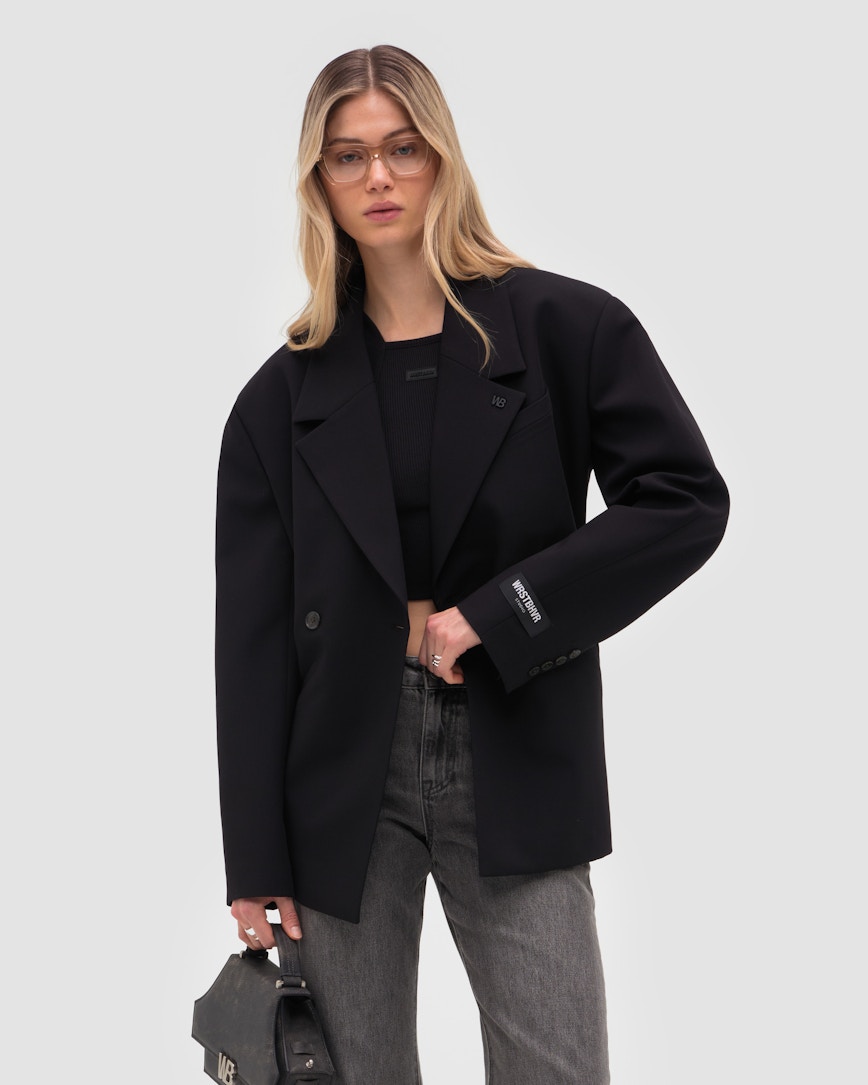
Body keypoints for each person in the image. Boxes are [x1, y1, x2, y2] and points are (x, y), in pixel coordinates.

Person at [214, 44, 729, 1085]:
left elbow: (682, 500)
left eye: (403, 148)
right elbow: (253, 642)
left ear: (442, 156)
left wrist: (501, 611)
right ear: (318, 181)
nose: (379, 176)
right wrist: (255, 856)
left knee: (556, 1066)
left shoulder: (565, 327)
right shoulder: (278, 398)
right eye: (348, 156)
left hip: (515, 734)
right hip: (341, 771)